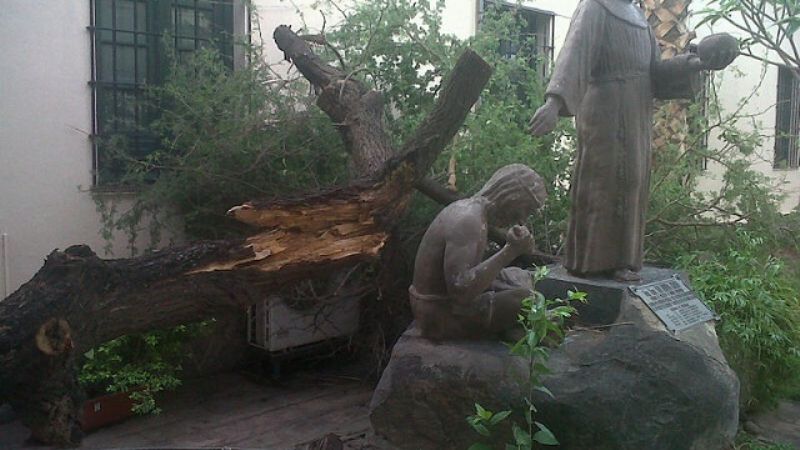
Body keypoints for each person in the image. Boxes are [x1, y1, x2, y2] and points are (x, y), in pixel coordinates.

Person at [529, 0, 737, 281]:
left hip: (637, 110)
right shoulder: (595, 7)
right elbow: (574, 55)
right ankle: (591, 261)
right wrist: (554, 104)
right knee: (605, 180)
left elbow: (655, 73)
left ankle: (622, 260)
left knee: (632, 183)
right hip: (605, 109)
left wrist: (695, 62)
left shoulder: (637, 17)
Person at [409, 164, 547, 340]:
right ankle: (516, 328)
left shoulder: (472, 210)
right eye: (526, 209)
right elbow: (461, 291)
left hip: (440, 302)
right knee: (525, 300)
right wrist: (510, 252)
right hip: (437, 315)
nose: (522, 219)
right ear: (511, 195)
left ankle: (513, 324)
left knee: (520, 276)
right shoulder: (468, 220)